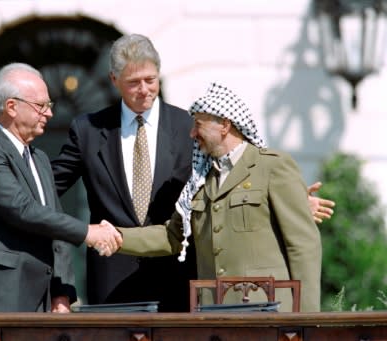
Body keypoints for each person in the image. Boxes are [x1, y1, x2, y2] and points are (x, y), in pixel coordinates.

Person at [0, 35, 334, 312]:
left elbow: (229, 185)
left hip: (185, 281)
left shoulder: (189, 127)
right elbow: (45, 190)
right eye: (134, 83)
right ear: (114, 82)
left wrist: (292, 201)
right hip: (113, 282)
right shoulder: (89, 129)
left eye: (151, 80)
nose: (144, 90)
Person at [106, 82, 323, 312]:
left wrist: (307, 320)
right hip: (213, 314)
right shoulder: (199, 180)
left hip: (267, 312)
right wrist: (117, 236)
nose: (192, 133)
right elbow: (172, 236)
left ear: (224, 126)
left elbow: (303, 246)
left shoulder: (272, 166)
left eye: (198, 125)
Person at [0, 62, 121, 313]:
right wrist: (87, 232)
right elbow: (22, 209)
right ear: (11, 107)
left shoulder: (39, 158)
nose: (49, 113)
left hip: (40, 300)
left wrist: (63, 293)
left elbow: (54, 220)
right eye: (41, 106)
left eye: (49, 106)